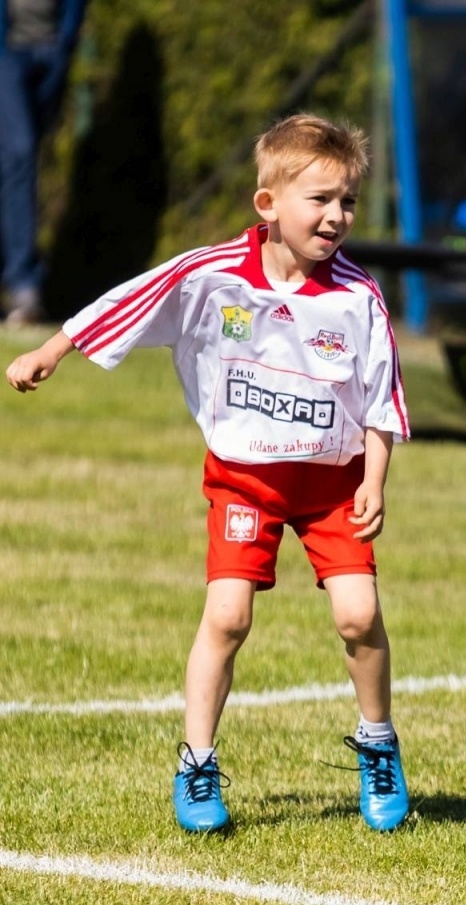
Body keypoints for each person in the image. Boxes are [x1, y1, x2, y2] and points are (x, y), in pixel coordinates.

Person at [4, 114, 411, 834]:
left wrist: (374, 478)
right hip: (245, 479)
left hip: (332, 484)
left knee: (358, 616)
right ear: (268, 204)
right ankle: (197, 766)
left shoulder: (358, 298)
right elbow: (123, 300)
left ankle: (378, 746)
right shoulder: (208, 275)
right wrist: (51, 351)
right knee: (227, 617)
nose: (336, 216)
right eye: (319, 199)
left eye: (347, 200)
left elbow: (382, 400)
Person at [0, 0, 87, 325]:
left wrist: (64, 43)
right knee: (20, 152)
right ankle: (24, 285)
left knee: (17, 162)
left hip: (50, 52)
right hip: (7, 52)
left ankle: (20, 284)